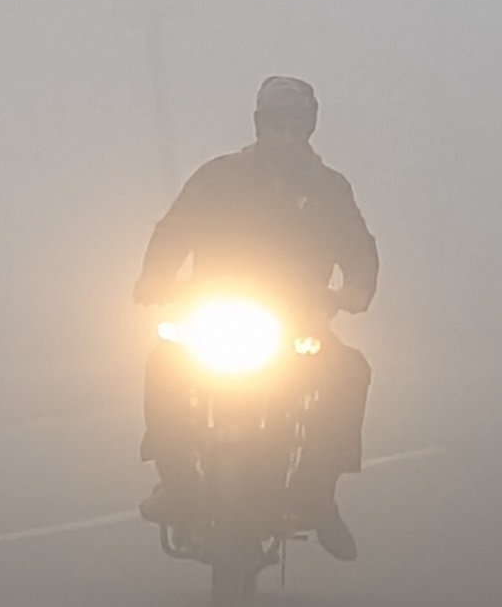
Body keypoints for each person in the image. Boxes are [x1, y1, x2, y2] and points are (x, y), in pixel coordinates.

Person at [138, 75, 380, 559]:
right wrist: (154, 278)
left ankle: (317, 490)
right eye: (277, 125)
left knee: (349, 372)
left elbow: (359, 250)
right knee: (163, 362)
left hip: (297, 323)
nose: (286, 137)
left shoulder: (330, 188)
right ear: (258, 125)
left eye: (297, 127)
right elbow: (174, 230)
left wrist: (354, 290)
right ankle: (177, 480)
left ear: (310, 130)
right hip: (214, 313)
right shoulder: (218, 176)